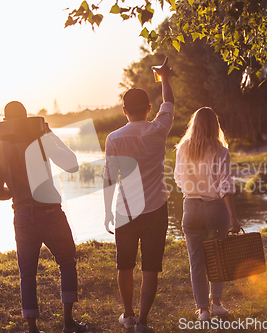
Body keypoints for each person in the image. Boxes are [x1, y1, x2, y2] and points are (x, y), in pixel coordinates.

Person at [0, 101, 88, 333]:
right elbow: (72, 165)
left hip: (22, 213)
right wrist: (50, 133)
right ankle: (68, 322)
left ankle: (33, 329)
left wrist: (19, 192)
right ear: (27, 120)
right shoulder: (41, 141)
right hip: (50, 211)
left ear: (5, 122)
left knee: (27, 273)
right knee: (67, 262)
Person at [103, 57, 173, 333]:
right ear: (148, 109)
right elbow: (168, 103)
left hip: (125, 209)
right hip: (156, 209)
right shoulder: (159, 128)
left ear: (123, 111)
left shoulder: (114, 138)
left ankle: (128, 316)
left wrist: (108, 211)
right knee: (150, 267)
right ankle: (142, 322)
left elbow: (109, 177)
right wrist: (164, 77)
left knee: (125, 264)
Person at [173, 107, 241, 321]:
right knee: (217, 256)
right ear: (215, 125)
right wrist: (233, 216)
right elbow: (225, 185)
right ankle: (217, 303)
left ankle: (202, 310)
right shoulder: (221, 150)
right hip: (215, 208)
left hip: (191, 207)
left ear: (194, 124)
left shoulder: (183, 148)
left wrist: (192, 188)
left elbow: (177, 178)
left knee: (196, 260)